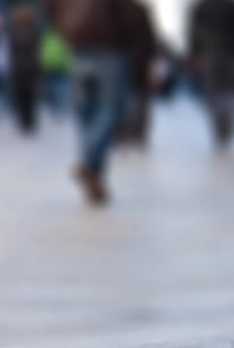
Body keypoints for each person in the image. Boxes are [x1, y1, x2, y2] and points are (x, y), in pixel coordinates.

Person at [44, 0, 155, 206]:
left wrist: (66, 30)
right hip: (109, 51)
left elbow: (51, 9)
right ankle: (88, 163)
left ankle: (94, 175)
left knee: (86, 113)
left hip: (77, 49)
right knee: (110, 108)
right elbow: (132, 17)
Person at [188, 0, 234, 149]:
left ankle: (221, 128)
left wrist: (194, 52)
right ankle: (224, 128)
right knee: (225, 93)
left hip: (213, 52)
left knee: (216, 93)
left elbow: (194, 31)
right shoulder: (230, 6)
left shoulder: (205, 6)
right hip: (223, 52)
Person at [117, 0, 158, 149]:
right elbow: (151, 40)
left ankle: (124, 133)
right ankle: (136, 133)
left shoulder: (116, 9)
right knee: (140, 100)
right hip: (139, 62)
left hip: (123, 61)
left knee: (124, 99)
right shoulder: (140, 10)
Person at [6, 3, 43, 135]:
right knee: (30, 97)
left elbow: (10, 49)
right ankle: (29, 121)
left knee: (21, 97)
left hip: (18, 67)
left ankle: (24, 121)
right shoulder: (34, 29)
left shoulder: (13, 30)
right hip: (31, 66)